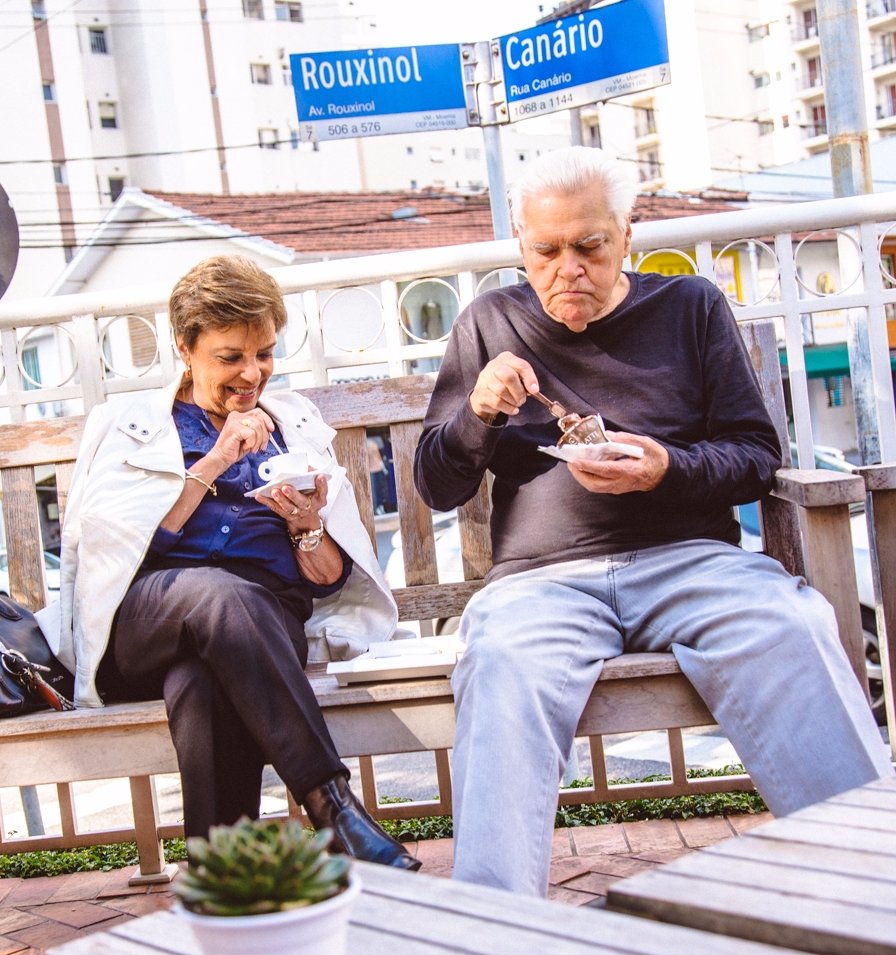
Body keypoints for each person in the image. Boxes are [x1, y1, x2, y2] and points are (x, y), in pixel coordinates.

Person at [412, 146, 892, 897]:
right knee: (501, 659)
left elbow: (756, 454)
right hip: (543, 583)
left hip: (691, 562)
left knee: (790, 625)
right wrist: (477, 414)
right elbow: (437, 485)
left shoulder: (689, 306)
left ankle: (871, 884)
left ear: (626, 236)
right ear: (520, 244)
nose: (566, 268)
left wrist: (668, 468)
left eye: (589, 247)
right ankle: (494, 927)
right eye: (545, 251)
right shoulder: (489, 323)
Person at [50, 254, 419, 870]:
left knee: (201, 680)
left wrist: (307, 527)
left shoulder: (295, 427)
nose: (252, 374)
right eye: (230, 357)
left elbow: (330, 577)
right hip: (151, 617)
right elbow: (120, 545)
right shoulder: (131, 425)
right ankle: (332, 808)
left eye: (265, 353)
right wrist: (215, 462)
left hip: (260, 633)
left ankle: (222, 877)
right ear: (185, 349)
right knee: (219, 594)